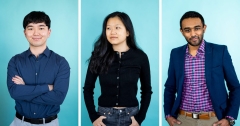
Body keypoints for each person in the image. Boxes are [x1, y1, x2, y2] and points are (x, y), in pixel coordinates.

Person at [164, 11, 240, 126]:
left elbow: (235, 87)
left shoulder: (220, 52)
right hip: (183, 120)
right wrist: (168, 115)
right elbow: (170, 87)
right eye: (187, 30)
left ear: (204, 28)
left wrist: (229, 118)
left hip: (214, 119)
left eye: (197, 28)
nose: (193, 34)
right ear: (182, 31)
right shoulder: (176, 54)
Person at [83, 11, 152, 126]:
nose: (112, 32)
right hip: (105, 116)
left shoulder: (140, 57)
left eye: (117, 28)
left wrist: (140, 118)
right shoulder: (98, 56)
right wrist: (93, 117)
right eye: (108, 28)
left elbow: (147, 90)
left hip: (131, 117)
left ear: (128, 32)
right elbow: (88, 89)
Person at [7, 11, 70, 126]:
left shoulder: (61, 63)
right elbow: (15, 93)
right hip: (19, 123)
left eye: (41, 28)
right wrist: (47, 88)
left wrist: (25, 90)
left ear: (49, 32)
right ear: (25, 32)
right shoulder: (15, 61)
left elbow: (58, 98)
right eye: (30, 28)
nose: (36, 33)